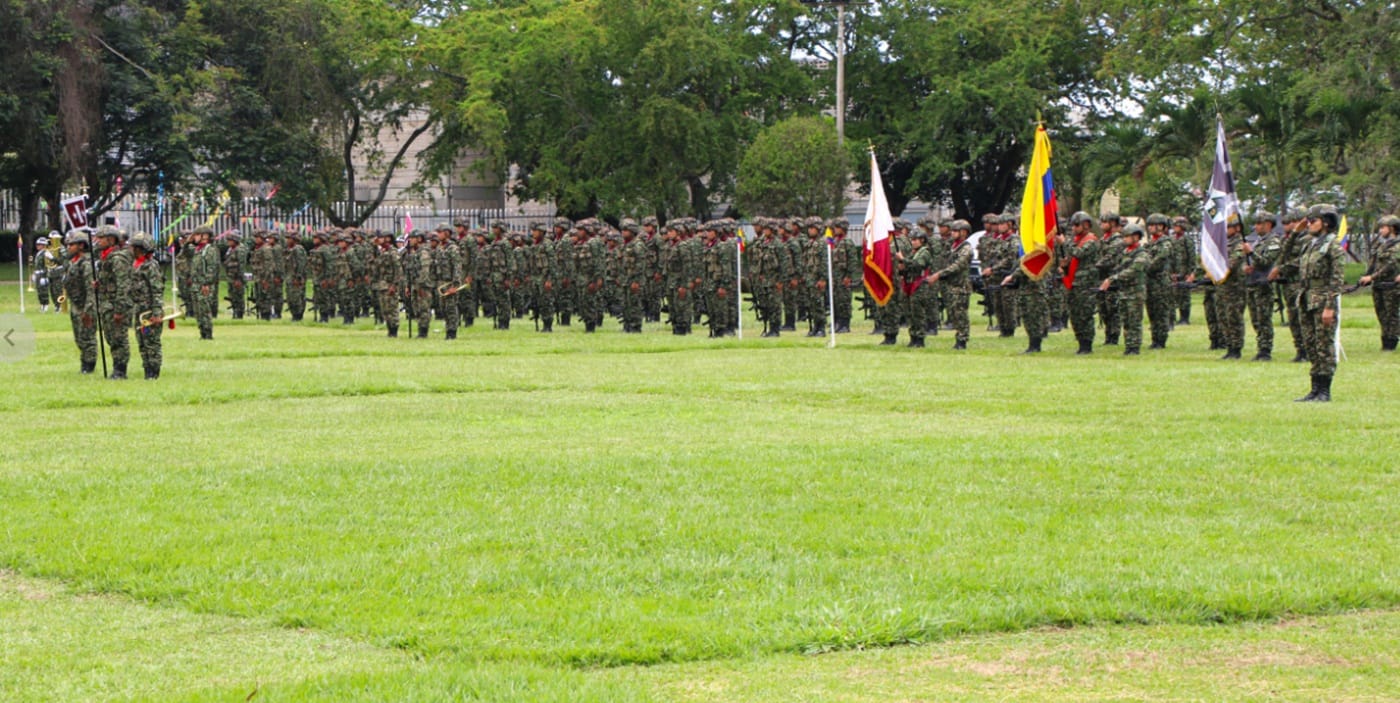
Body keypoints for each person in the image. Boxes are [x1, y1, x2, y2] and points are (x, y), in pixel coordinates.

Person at [1295, 204, 1345, 401]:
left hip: (1323, 299)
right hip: (1307, 298)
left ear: (1325, 223)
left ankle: (1325, 389)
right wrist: (1295, 233)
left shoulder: (1333, 246)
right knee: (1311, 344)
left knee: (1324, 344)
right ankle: (1314, 388)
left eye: (1312, 221)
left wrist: (1330, 307)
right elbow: (1288, 251)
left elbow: (1336, 279)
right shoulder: (1310, 243)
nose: (1308, 225)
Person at [1099, 224, 1150, 355]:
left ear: (1136, 237)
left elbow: (1132, 271)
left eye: (1127, 236)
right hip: (1124, 291)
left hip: (1135, 292)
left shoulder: (1142, 254)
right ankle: (1128, 345)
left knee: (1134, 320)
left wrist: (1113, 279)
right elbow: (1118, 268)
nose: (1124, 239)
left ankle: (1134, 346)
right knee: (1126, 320)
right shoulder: (1125, 253)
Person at [927, 219, 973, 349]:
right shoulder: (953, 246)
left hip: (961, 286)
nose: (952, 233)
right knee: (954, 313)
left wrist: (938, 274)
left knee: (960, 314)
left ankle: (962, 339)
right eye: (952, 230)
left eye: (955, 231)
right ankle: (959, 337)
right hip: (951, 285)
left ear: (964, 232)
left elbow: (956, 266)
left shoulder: (966, 248)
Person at [94, 226, 132, 379]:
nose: (98, 241)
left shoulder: (117, 259)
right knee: (110, 336)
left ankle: (120, 370)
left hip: (116, 304)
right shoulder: (105, 257)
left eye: (101, 238)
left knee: (118, 338)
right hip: (107, 303)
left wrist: (119, 309)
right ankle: (116, 367)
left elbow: (123, 284)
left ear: (111, 240)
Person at [1244, 211, 1282, 360]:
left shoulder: (1273, 242)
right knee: (1255, 318)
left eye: (1259, 224)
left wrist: (1251, 253)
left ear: (1268, 225)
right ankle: (1260, 346)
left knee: (1263, 318)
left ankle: (1265, 350)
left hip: (1264, 285)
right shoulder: (1258, 241)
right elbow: (1255, 263)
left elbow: (1266, 261)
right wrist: (1247, 268)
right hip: (1252, 283)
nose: (1256, 227)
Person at [1061, 211, 1101, 354]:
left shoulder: (1091, 241)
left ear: (1086, 225)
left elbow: (1079, 254)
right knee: (1075, 314)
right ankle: (1080, 342)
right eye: (1073, 225)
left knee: (1084, 314)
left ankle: (1087, 344)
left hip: (1086, 283)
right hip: (1075, 283)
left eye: (1076, 225)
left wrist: (1064, 242)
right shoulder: (1076, 240)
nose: (1074, 228)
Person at [1358, 215, 1399, 350]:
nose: (1380, 231)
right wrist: (1367, 276)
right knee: (1381, 314)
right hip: (1379, 286)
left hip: (1391, 286)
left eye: (1383, 227)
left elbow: (1389, 266)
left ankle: (1390, 343)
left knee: (1391, 316)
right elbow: (1374, 263)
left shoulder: (1397, 246)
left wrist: (1372, 277)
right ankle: (1385, 340)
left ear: (1392, 228)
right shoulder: (1381, 245)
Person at [61, 230, 99, 374]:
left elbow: (91, 289)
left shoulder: (86, 264)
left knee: (87, 337)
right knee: (79, 337)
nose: (68, 247)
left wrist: (88, 310)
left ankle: (89, 365)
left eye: (71, 245)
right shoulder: (72, 262)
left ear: (81, 246)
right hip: (76, 304)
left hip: (85, 306)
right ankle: (84, 363)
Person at [128, 232, 164, 379]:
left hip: (149, 310)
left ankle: (153, 371)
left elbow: (157, 291)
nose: (132, 250)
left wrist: (156, 313)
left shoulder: (151, 266)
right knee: (141, 341)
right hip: (138, 309)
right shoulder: (136, 265)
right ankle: (146, 368)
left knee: (151, 342)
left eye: (135, 247)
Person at [896, 228, 935, 347]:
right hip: (910, 284)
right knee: (910, 313)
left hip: (919, 286)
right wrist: (902, 268)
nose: (913, 242)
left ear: (922, 240)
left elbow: (918, 265)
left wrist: (903, 259)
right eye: (911, 239)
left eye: (915, 240)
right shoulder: (913, 253)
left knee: (918, 313)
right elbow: (909, 267)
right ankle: (913, 336)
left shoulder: (924, 252)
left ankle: (920, 338)